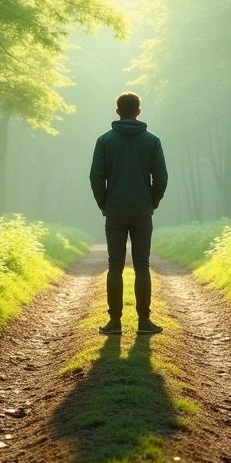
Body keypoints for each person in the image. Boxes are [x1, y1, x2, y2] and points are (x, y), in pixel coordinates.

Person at [89, 92, 168, 335]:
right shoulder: (152, 141)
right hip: (142, 211)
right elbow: (161, 177)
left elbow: (96, 178)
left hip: (115, 211)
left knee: (115, 266)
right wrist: (152, 202)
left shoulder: (104, 141)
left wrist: (104, 204)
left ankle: (114, 323)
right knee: (142, 265)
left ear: (117, 111)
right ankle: (144, 322)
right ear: (139, 112)